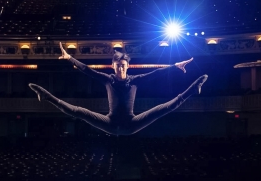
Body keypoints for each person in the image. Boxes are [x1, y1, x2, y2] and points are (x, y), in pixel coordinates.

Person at [29, 42, 208, 135]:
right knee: (79, 112)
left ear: (127, 66)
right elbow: (86, 70)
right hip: (110, 123)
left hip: (132, 123)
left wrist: (175, 65)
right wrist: (69, 58)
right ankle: (45, 95)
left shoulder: (135, 80)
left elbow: (156, 73)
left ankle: (193, 89)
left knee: (163, 109)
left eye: (123, 65)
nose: (121, 68)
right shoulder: (108, 80)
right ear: (113, 66)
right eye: (117, 65)